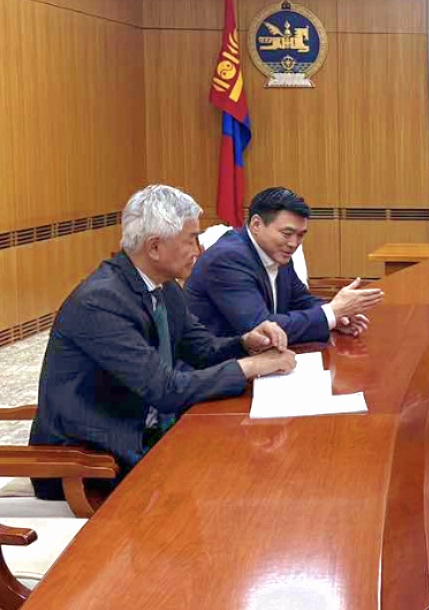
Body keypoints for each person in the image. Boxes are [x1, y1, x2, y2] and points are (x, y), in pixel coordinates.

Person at [30, 185, 297, 500]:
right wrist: (252, 366)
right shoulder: (100, 302)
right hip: (91, 462)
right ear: (155, 247)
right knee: (232, 485)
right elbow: (165, 390)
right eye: (191, 239)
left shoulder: (165, 287)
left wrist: (247, 343)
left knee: (254, 466)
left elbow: (201, 350)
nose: (199, 249)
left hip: (147, 437)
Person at [186, 187, 383, 344]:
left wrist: (337, 318)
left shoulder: (276, 252)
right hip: (217, 368)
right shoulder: (228, 258)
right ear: (256, 224)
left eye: (301, 235)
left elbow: (301, 300)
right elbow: (261, 328)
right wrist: (331, 313)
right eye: (287, 234)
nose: (294, 243)